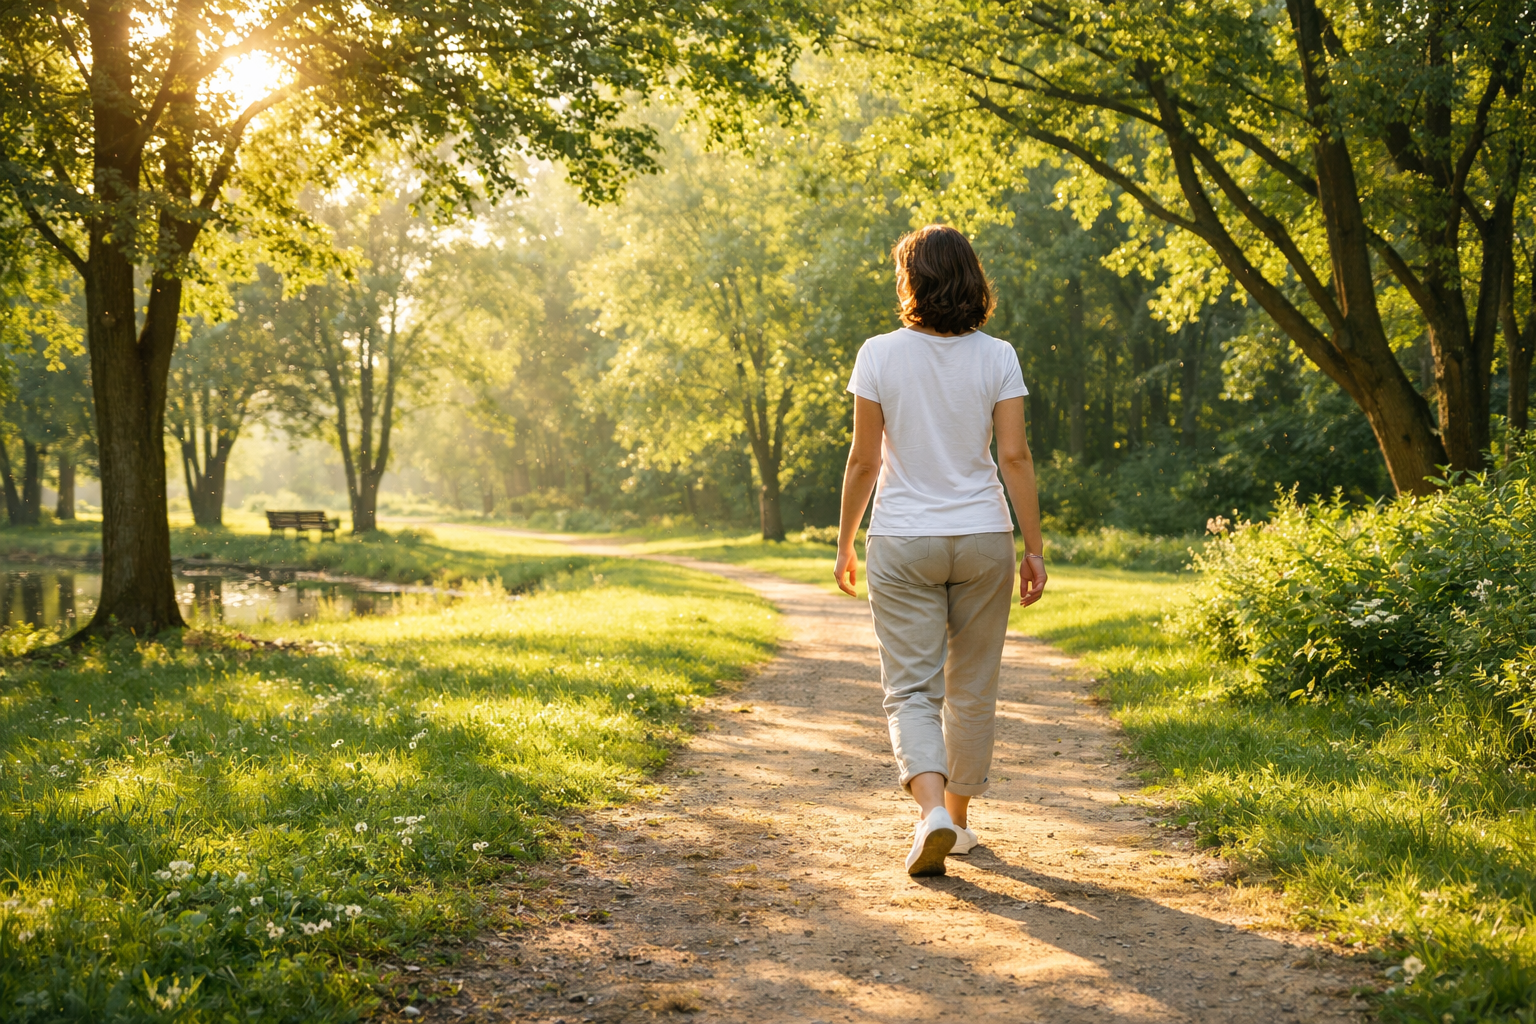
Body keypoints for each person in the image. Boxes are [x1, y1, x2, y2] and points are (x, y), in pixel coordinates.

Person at [834, 224, 1047, 878]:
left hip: (902, 539)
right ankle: (958, 819)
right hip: (983, 535)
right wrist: (1033, 547)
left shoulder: (877, 354)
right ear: (972, 279)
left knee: (912, 690)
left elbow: (865, 460)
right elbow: (1013, 456)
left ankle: (929, 813)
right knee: (973, 687)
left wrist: (844, 540)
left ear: (911, 281)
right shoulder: (998, 355)